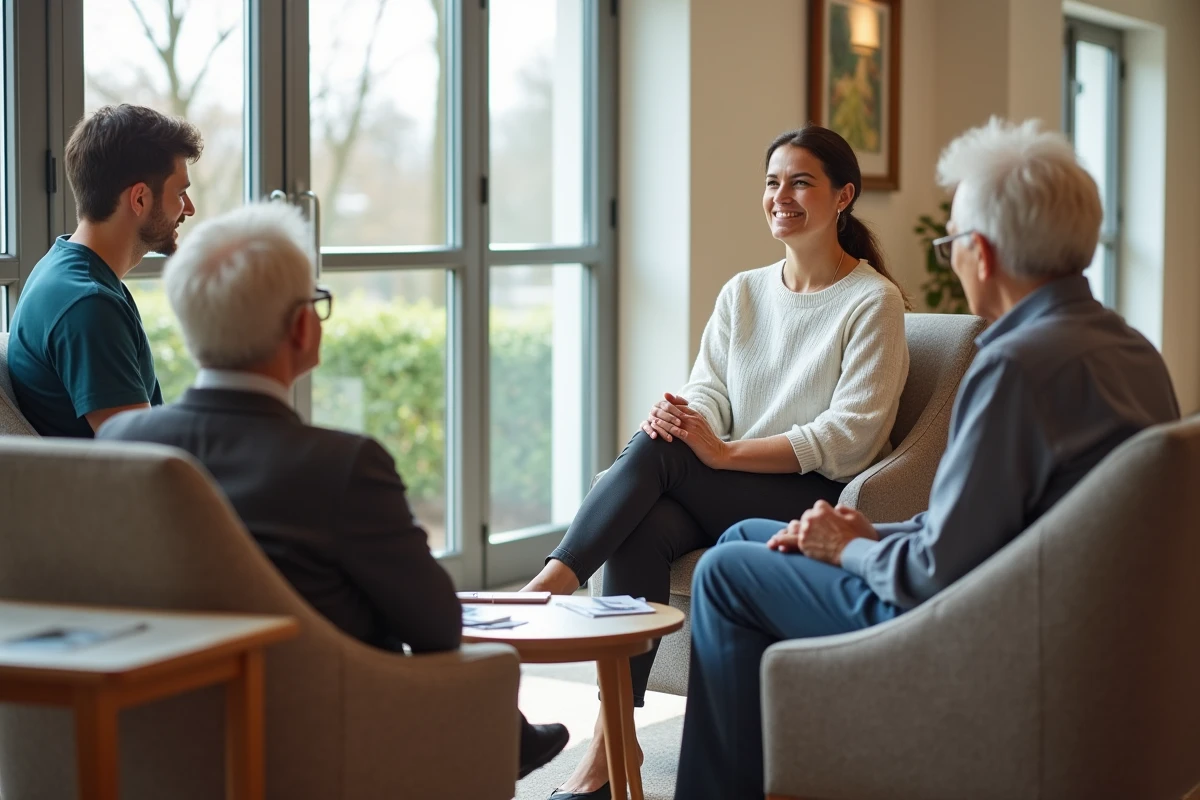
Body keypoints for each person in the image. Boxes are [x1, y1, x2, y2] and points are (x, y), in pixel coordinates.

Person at [673, 118, 1182, 800]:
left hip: (983, 627)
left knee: (729, 573)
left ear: (982, 252)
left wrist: (852, 549)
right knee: (744, 538)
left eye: (950, 246)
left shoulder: (1015, 366)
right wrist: (864, 534)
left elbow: (937, 571)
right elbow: (1009, 521)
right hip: (1058, 609)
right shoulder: (1133, 350)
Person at [97, 202, 569, 780]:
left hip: (160, 734)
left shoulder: (123, 442)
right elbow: (436, 626)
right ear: (301, 327)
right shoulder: (342, 466)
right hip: (325, 737)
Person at [525, 126, 911, 800]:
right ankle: (612, 745)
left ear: (844, 196)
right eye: (771, 182)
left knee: (660, 461)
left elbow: (851, 436)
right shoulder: (744, 292)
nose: (779, 196)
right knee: (648, 502)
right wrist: (682, 412)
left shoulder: (872, 302)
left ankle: (549, 588)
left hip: (811, 497)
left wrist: (724, 450)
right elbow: (713, 387)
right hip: (728, 485)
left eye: (799, 182)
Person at [8, 104, 201, 437]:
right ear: (139, 199)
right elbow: (139, 456)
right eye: (181, 193)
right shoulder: (88, 303)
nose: (190, 209)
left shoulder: (67, 269)